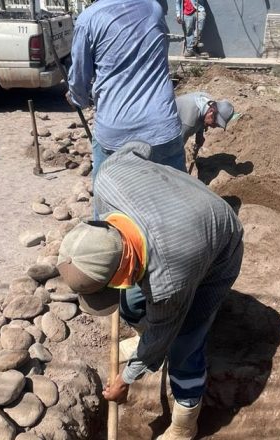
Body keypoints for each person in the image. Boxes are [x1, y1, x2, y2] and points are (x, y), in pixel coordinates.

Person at [57, 142, 244, 440]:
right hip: (180, 216)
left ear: (123, 266)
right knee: (131, 303)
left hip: (218, 241)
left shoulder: (167, 280)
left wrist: (127, 378)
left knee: (184, 341)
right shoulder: (108, 177)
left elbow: (164, 326)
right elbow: (138, 147)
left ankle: (185, 424)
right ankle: (146, 347)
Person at [67, 0, 184, 179]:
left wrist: (78, 99)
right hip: (162, 126)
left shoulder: (89, 18)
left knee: (109, 201)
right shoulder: (154, 9)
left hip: (116, 132)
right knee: (176, 200)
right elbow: (161, 54)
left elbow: (79, 78)